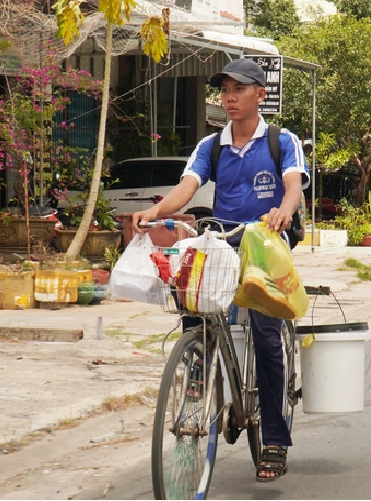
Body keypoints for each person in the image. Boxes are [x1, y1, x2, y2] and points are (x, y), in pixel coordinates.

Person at [132, 58, 309, 481]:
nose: (229, 98)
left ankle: (274, 440)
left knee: (266, 337)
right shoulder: (211, 145)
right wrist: (154, 211)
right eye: (224, 90)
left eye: (238, 90)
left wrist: (283, 213)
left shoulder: (281, 140)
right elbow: (187, 187)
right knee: (193, 308)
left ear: (259, 95)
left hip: (265, 246)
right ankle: (199, 380)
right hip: (225, 241)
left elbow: (293, 187)